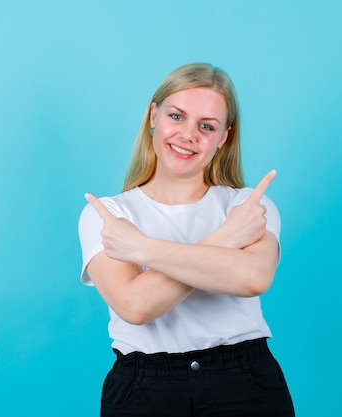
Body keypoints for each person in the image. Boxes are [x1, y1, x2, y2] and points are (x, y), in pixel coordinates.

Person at [78, 62, 295, 416]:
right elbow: (135, 306)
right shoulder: (107, 214)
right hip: (145, 388)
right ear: (153, 116)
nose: (188, 135)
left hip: (244, 383)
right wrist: (226, 238)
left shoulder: (248, 205)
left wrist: (142, 248)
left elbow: (253, 277)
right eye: (176, 116)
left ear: (224, 136)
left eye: (206, 126)